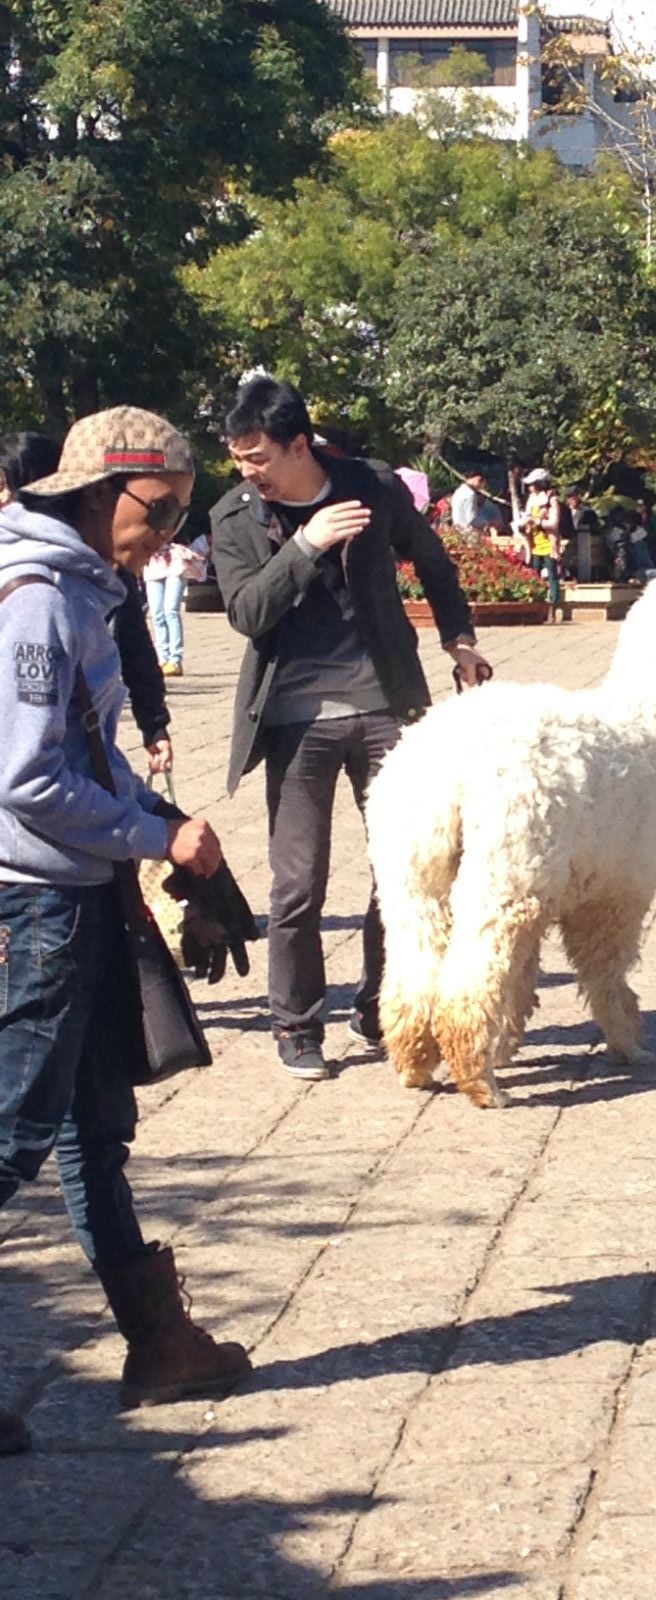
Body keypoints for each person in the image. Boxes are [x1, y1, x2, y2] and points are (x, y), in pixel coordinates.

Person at [0, 407, 254, 1454]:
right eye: (163, 509)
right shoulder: (35, 604)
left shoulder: (74, 590)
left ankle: (158, 1344)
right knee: (13, 1129)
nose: (170, 534)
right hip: (39, 903)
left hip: (80, 894)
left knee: (91, 1126)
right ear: (106, 490)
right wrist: (154, 835)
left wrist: (160, 830)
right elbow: (27, 781)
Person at [212, 376, 490, 1081]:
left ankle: (380, 1002)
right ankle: (297, 1025)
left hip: (384, 706)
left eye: (256, 456)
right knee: (297, 882)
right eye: (238, 457)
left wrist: (458, 640)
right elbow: (245, 612)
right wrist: (304, 544)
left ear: (299, 444)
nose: (246, 471)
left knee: (402, 868)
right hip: (294, 721)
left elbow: (431, 562)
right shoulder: (235, 514)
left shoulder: (369, 485)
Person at [143, 521, 210, 676]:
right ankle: (163, 659)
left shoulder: (174, 514)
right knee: (157, 614)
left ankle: (175, 660)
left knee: (171, 611)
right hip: (153, 564)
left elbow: (182, 536)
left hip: (175, 562)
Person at [521, 468, 564, 618]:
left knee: (552, 576)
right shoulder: (531, 499)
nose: (530, 487)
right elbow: (526, 516)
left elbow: (554, 523)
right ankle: (534, 605)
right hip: (534, 545)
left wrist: (537, 521)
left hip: (548, 544)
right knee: (534, 575)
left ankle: (553, 607)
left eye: (532, 483)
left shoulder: (551, 500)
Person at [565, 486, 599, 580]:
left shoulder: (588, 512)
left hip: (584, 540)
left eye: (575, 497)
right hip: (569, 538)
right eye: (571, 498)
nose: (573, 500)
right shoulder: (563, 511)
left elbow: (594, 525)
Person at [450, 471, 490, 542]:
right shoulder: (470, 494)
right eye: (483, 484)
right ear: (479, 479)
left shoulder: (458, 491)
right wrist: (486, 522)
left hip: (457, 530)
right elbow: (472, 519)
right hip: (469, 534)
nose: (481, 488)